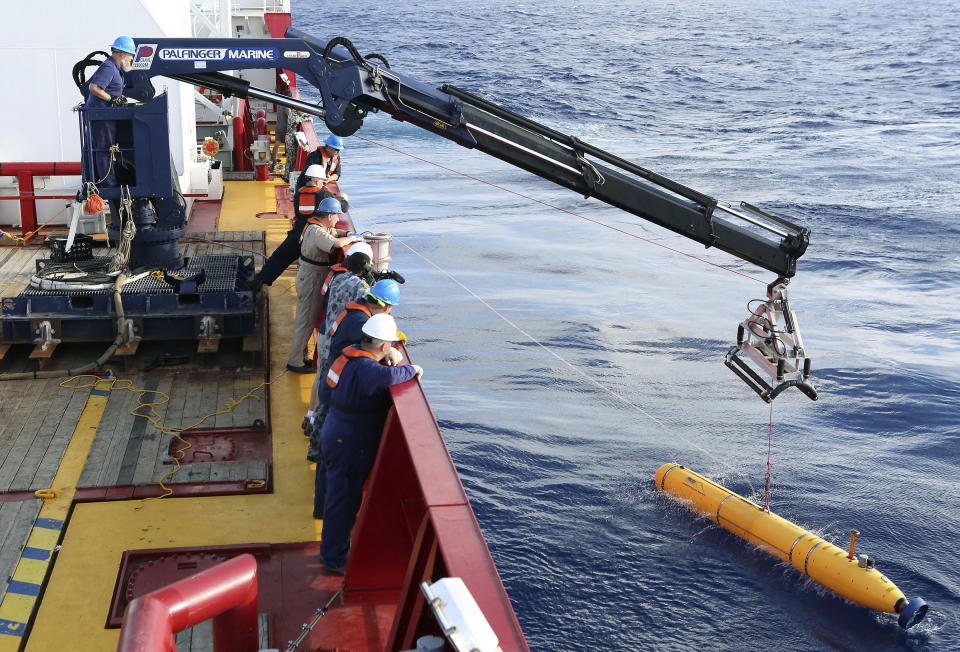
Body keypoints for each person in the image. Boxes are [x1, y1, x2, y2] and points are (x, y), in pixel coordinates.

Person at [318, 313, 422, 573]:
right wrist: (411, 369)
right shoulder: (369, 370)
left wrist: (386, 359)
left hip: (334, 430)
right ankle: (333, 559)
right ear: (385, 346)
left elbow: (325, 390)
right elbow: (388, 378)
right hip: (349, 441)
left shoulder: (348, 355)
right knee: (343, 501)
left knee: (335, 495)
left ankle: (332, 550)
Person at [312, 279, 401, 519]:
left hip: (332, 379)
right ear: (386, 307)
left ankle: (320, 506)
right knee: (338, 473)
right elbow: (383, 373)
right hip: (339, 396)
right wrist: (403, 362)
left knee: (325, 456)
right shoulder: (361, 322)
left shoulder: (356, 310)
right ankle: (330, 512)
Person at [305, 243, 374, 461]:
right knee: (333, 390)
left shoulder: (337, 277)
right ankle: (323, 437)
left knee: (320, 379)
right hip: (340, 341)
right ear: (363, 267)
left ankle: (310, 418)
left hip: (326, 334)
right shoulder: (358, 286)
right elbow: (371, 300)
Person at [286, 183, 358, 373]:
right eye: (336, 216)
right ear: (329, 216)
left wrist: (348, 233)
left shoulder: (317, 226)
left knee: (306, 320)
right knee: (306, 321)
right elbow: (335, 244)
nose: (338, 220)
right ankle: (295, 362)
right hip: (311, 278)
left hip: (311, 275)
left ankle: (301, 357)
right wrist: (353, 239)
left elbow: (336, 233)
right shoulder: (317, 232)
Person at [85, 36, 136, 187]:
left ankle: (107, 180)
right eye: (130, 54)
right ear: (122, 53)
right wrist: (111, 99)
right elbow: (94, 87)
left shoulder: (115, 68)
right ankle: (108, 183)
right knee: (103, 149)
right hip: (101, 115)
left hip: (105, 115)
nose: (132, 57)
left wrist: (118, 98)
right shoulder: (108, 67)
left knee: (105, 148)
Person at [270, 84, 292, 167]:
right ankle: (289, 161)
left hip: (278, 126)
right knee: (289, 144)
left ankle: (274, 159)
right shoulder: (286, 104)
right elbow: (289, 114)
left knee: (277, 144)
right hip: (284, 127)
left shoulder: (280, 102)